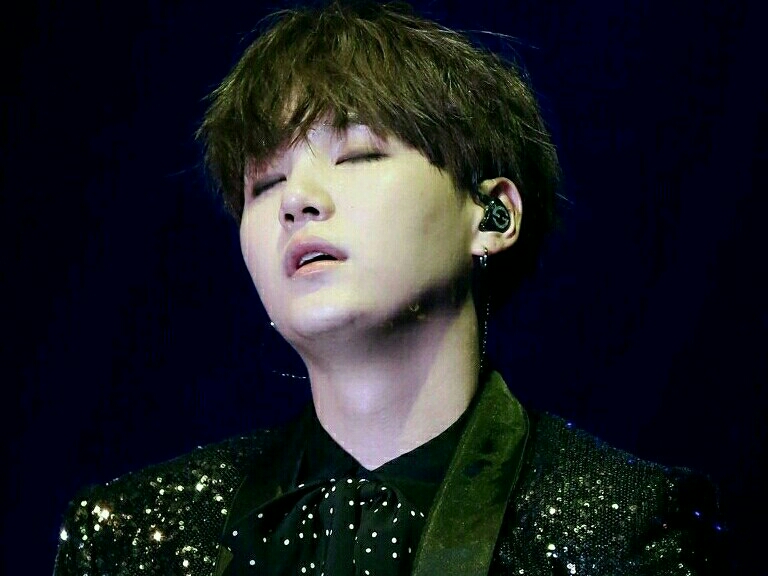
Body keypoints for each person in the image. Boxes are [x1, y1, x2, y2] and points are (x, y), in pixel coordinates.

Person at [53, 1, 728, 574]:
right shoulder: (128, 539)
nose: (297, 202)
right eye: (265, 184)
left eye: (357, 155)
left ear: (492, 216)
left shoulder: (625, 531)